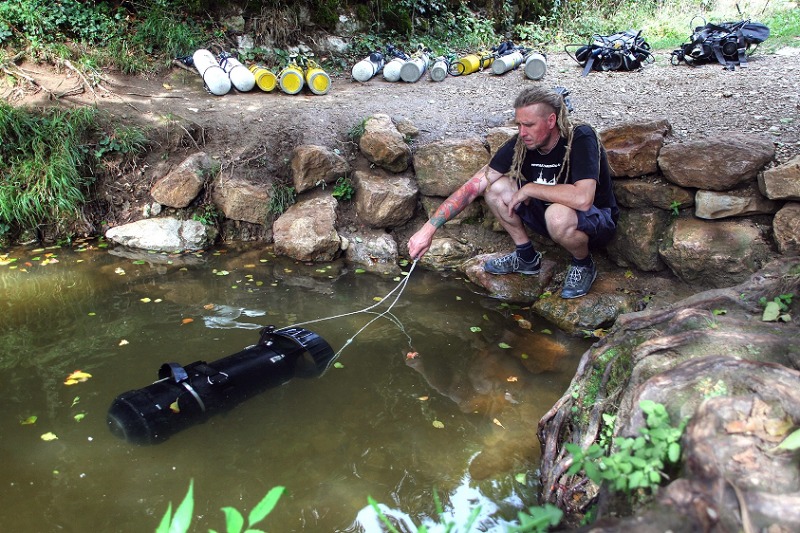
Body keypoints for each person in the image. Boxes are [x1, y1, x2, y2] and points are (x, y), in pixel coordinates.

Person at [407, 86, 618, 299]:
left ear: (551, 121)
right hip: (548, 219)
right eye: (519, 124)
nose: (522, 132)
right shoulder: (521, 144)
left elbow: (582, 199)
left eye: (529, 125)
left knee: (557, 214)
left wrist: (530, 188)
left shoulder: (580, 137)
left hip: (593, 222)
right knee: (495, 188)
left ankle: (583, 263)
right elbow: (473, 187)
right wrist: (428, 230)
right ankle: (526, 256)